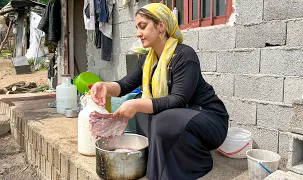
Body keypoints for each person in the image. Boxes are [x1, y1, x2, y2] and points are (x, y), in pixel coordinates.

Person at [90, 3, 229, 180]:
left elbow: (178, 100)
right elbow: (124, 85)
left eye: (143, 26)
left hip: (209, 119)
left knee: (159, 116)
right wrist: (105, 87)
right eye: (137, 28)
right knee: (143, 105)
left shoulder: (184, 55)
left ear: (161, 26)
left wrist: (136, 104)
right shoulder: (148, 60)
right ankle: (155, 159)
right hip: (180, 118)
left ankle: (198, 162)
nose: (138, 33)